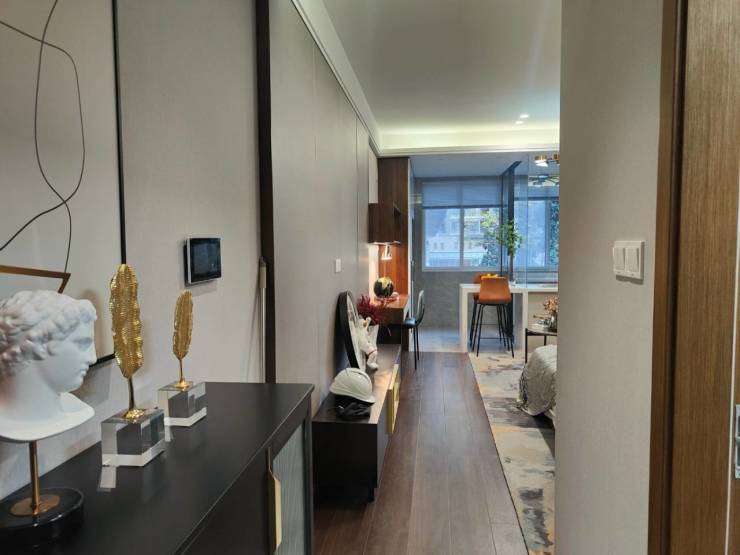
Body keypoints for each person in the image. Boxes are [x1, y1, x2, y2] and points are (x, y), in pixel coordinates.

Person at [0, 290, 97, 442]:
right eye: (82, 344)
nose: (93, 358)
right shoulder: (9, 428)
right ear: (37, 345)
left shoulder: (79, 409)